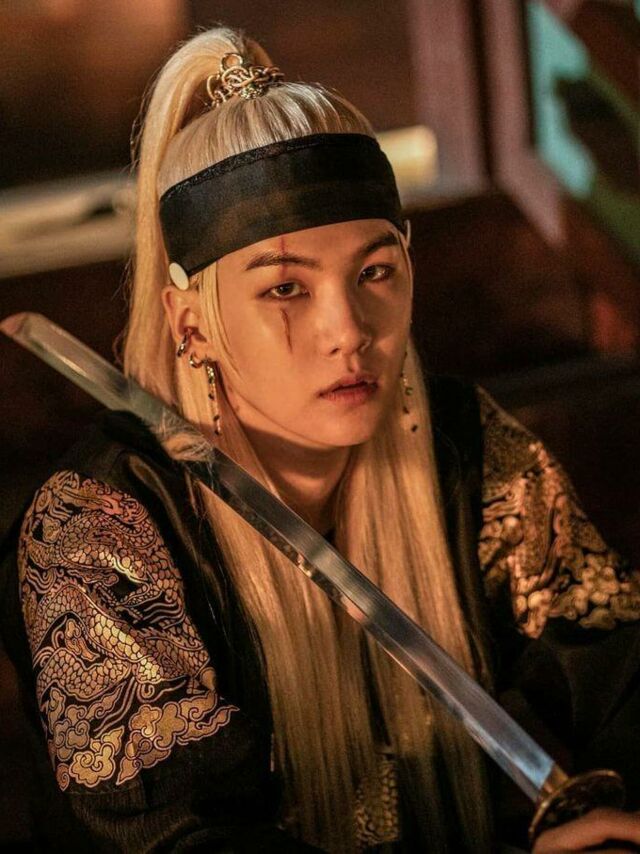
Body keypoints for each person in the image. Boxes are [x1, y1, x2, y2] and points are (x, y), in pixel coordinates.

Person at [2, 24, 640, 853]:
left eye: (374, 272)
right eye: (285, 289)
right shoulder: (98, 534)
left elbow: (617, 678)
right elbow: (178, 840)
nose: (349, 330)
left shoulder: (473, 453)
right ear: (190, 322)